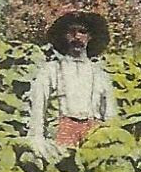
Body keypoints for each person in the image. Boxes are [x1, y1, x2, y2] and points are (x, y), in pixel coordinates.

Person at [24, 11, 116, 163]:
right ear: (64, 36)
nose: (77, 37)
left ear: (90, 37)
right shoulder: (50, 70)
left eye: (82, 32)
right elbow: (38, 110)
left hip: (93, 140)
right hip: (59, 140)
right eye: (71, 32)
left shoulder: (100, 75)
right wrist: (37, 140)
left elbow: (110, 115)